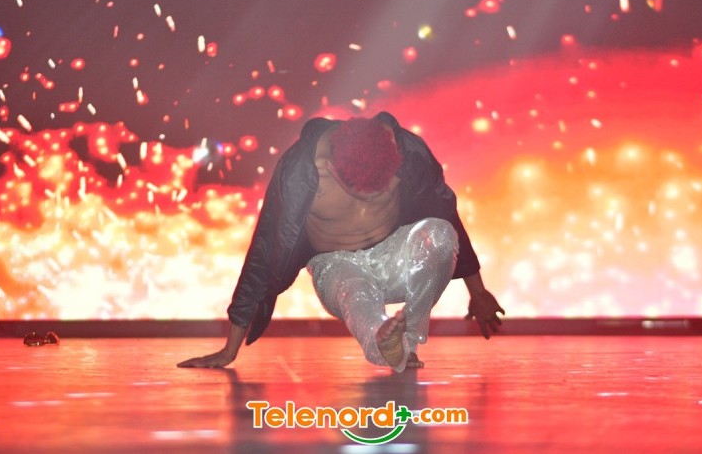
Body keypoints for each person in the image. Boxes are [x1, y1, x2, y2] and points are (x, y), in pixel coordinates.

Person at [178, 111, 504, 371]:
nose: (372, 197)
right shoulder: (301, 174)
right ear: (332, 169)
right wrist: (229, 349)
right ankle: (383, 342)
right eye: (362, 191)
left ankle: (408, 333)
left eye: (380, 189)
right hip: (337, 265)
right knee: (356, 293)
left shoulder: (408, 153)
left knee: (440, 232)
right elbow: (263, 251)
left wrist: (477, 291)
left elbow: (446, 211)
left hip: (395, 258)